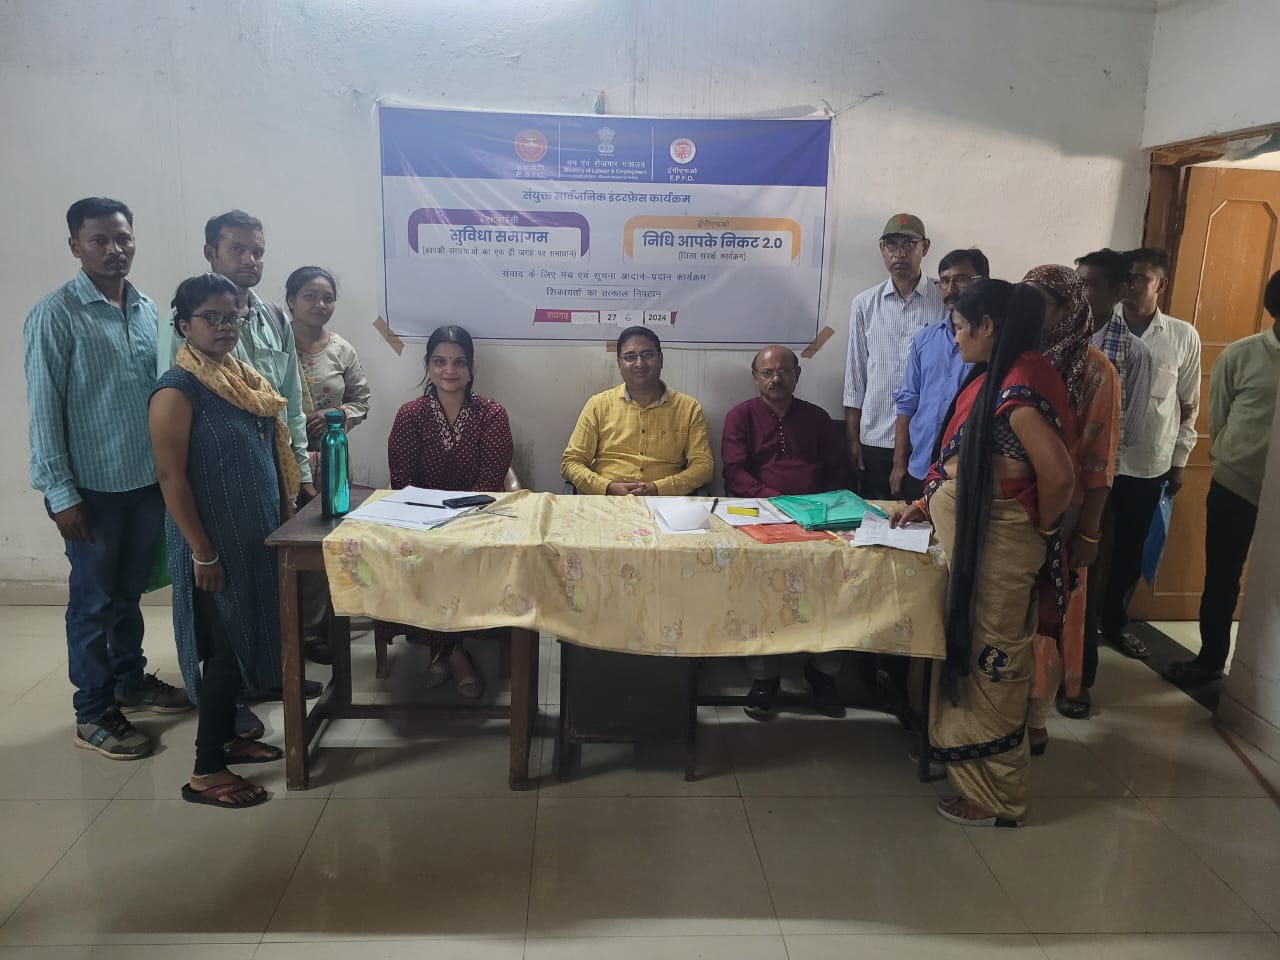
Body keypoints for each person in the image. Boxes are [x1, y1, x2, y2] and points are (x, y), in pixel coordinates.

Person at [892, 279, 1075, 827]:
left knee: (993, 663)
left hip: (1002, 547)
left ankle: (999, 798)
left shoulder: (1020, 389)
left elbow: (1059, 479)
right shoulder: (999, 375)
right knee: (969, 651)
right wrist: (927, 505)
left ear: (988, 327)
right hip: (979, 541)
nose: (955, 339)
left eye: (959, 328)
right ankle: (968, 768)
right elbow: (968, 465)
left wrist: (1038, 528)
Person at [24, 197, 191, 761]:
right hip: (90, 488)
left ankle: (129, 680)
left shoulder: (147, 310)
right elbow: (44, 407)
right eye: (99, 240)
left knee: (127, 593)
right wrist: (60, 492)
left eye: (123, 238)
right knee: (92, 602)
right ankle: (93, 710)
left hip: (144, 481)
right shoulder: (56, 313)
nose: (114, 249)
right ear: (75, 246)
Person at [156, 210, 318, 735]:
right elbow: (174, 463)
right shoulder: (182, 371)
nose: (250, 259)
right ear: (212, 253)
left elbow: (287, 403)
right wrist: (200, 546)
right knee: (220, 613)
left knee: (265, 594)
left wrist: (297, 475)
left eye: (257, 251)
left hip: (264, 486)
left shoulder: (270, 318)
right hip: (214, 495)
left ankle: (267, 675)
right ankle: (226, 705)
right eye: (238, 249)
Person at [151, 273, 299, 807]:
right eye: (210, 317)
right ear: (183, 325)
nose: (223, 326)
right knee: (223, 650)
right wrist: (202, 551)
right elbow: (171, 478)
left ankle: (231, 740)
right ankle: (206, 771)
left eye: (232, 316)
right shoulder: (177, 389)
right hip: (212, 544)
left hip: (251, 536)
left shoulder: (240, 379)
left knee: (243, 640)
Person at [384, 325, 513, 697]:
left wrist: (456, 518)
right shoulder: (410, 414)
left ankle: (443, 651)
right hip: (421, 520)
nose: (449, 370)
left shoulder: (492, 414)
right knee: (422, 555)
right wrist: (431, 519)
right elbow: (403, 482)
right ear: (428, 365)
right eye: (440, 361)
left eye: (459, 362)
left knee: (460, 554)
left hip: (477, 518)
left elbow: (490, 481)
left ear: (471, 368)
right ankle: (453, 652)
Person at [1165, 269, 1280, 686]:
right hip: (1237, 487)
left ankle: (1265, 678)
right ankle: (1211, 659)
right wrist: (1233, 460)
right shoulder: (1242, 356)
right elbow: (1220, 417)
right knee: (1222, 578)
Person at [721, 345, 846, 719]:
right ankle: (765, 676)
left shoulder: (817, 418)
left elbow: (837, 472)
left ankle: (823, 673)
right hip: (762, 514)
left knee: (837, 582)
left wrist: (823, 510)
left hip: (816, 515)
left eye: (783, 371)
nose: (775, 379)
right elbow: (734, 473)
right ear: (755, 377)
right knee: (758, 585)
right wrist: (774, 500)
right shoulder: (740, 416)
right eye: (767, 372)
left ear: (797, 375)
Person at [1021, 266, 1120, 732]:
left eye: (1038, 302)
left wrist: (1089, 531)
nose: (1027, 311)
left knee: (1051, 613)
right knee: (1012, 613)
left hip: (1067, 513)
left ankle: (1036, 717)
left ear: (1068, 308)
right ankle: (1006, 710)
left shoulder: (1095, 370)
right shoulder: (1019, 357)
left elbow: (1100, 458)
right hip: (1016, 506)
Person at [1102, 248, 1201, 660]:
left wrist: (1179, 462)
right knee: (1085, 545)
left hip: (1148, 464)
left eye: (1141, 278)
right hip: (1097, 462)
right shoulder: (1100, 327)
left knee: (1130, 550)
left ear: (1161, 284)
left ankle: (1115, 624)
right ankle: (1077, 627)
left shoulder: (1182, 336)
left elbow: (1189, 403)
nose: (1131, 285)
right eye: (1127, 276)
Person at [1074, 248, 1154, 706]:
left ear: (1121, 290)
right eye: (1078, 282)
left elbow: (1132, 430)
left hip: (1096, 488)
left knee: (1086, 584)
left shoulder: (1134, 353)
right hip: (1052, 482)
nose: (1082, 293)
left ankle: (1078, 680)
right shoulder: (1057, 336)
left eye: (1091, 284)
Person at [287, 266, 372, 666]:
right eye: (310, 296)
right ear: (291, 301)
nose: (320, 304)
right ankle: (284, 627)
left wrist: (334, 415)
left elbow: (362, 402)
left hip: (331, 461)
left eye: (327, 297)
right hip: (284, 461)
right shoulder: (273, 345)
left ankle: (316, 629)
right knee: (285, 543)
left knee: (326, 544)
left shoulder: (341, 350)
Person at [844, 214, 944, 500]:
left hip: (927, 439)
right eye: (892, 245)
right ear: (882, 249)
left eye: (909, 244)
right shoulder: (864, 303)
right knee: (875, 518)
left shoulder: (944, 299)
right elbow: (855, 377)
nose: (899, 253)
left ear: (925, 247)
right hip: (875, 435)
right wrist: (852, 438)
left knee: (923, 519)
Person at [562, 326, 714, 496]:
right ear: (619, 364)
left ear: (661, 360)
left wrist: (658, 488)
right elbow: (571, 462)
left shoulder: (689, 408)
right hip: (608, 501)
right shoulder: (598, 405)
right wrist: (607, 487)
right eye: (630, 357)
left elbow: (703, 466)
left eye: (647, 355)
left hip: (665, 502)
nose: (639, 363)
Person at [892, 248, 985, 501]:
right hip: (919, 468)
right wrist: (899, 464)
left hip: (962, 476)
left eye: (961, 279)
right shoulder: (924, 339)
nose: (951, 289)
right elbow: (907, 402)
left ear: (982, 282)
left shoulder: (989, 345)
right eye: (944, 281)